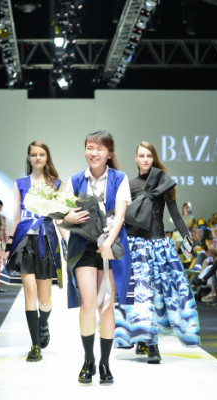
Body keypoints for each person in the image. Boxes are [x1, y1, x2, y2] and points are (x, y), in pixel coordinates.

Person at [114, 141, 200, 364]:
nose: (145, 159)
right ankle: (151, 345)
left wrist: (188, 239)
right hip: (136, 247)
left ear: (153, 158)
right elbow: (121, 218)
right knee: (141, 295)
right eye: (141, 155)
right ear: (136, 158)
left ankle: (147, 338)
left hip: (159, 247)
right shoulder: (129, 185)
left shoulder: (164, 183)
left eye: (149, 156)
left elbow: (175, 214)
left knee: (160, 296)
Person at [62, 130, 132, 385]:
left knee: (106, 307)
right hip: (83, 246)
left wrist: (108, 244)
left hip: (111, 247)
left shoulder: (119, 179)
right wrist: (67, 218)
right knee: (88, 304)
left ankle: (104, 363)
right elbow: (61, 216)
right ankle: (88, 359)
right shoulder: (75, 180)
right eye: (90, 148)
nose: (94, 153)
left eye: (100, 149)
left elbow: (120, 216)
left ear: (109, 153)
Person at [4, 141, 63, 362]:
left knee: (44, 300)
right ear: (28, 157)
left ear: (47, 158)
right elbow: (16, 216)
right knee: (29, 292)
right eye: (34, 154)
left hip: (46, 240)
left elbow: (59, 218)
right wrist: (9, 245)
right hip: (24, 240)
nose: (37, 158)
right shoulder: (20, 183)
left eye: (41, 154)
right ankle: (35, 346)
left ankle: (43, 323)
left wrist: (68, 245)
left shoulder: (56, 184)